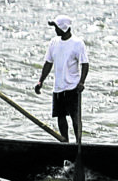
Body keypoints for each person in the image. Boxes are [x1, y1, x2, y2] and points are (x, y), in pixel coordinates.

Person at [35, 15, 89, 143]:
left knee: (75, 118)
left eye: (56, 27)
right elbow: (48, 63)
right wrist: (40, 81)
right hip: (58, 87)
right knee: (60, 117)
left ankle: (78, 143)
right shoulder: (53, 42)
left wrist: (81, 82)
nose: (55, 30)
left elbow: (85, 64)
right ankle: (65, 143)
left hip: (72, 87)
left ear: (63, 27)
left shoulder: (77, 43)